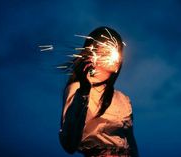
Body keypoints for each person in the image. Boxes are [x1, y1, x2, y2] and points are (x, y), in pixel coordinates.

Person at [59, 26, 139, 157]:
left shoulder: (123, 99)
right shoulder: (77, 89)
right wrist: (84, 92)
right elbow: (69, 143)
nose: (115, 54)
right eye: (107, 49)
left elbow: (131, 142)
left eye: (118, 49)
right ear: (92, 55)